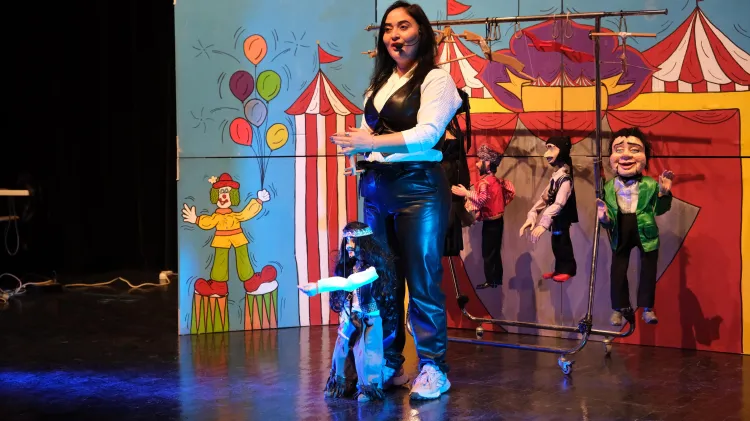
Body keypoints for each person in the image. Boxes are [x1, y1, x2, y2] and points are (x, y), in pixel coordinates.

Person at [330, 0, 462, 400]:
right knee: (383, 281)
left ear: (421, 32)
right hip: (377, 190)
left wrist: (370, 141)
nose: (394, 35)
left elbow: (427, 134)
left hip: (418, 188)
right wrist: (358, 149)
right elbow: (369, 135)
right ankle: (388, 361)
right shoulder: (379, 84)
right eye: (388, 28)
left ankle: (434, 367)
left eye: (403, 26)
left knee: (422, 281)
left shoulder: (437, 80)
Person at [298, 222, 398, 402]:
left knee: (367, 354)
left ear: (364, 243)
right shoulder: (352, 267)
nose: (348, 245)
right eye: (347, 241)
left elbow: (350, 283)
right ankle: (342, 384)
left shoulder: (372, 271)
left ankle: (368, 389)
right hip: (351, 318)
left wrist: (318, 286)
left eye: (353, 241)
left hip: (369, 320)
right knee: (341, 351)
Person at [597, 127, 674, 325]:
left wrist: (663, 194)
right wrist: (604, 219)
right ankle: (619, 307)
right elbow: (607, 216)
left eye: (634, 150)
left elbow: (659, 210)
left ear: (645, 156)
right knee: (618, 269)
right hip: (620, 227)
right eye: (619, 149)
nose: (625, 155)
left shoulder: (650, 184)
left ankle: (647, 308)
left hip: (645, 229)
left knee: (648, 268)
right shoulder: (608, 187)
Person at [451, 144, 516, 289]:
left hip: (491, 223)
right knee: (494, 251)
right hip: (497, 220)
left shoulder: (485, 183)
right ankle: (495, 279)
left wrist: (466, 193)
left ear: (488, 163)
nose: (477, 163)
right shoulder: (495, 181)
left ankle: (491, 279)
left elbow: (482, 199)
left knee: (488, 252)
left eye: (480, 160)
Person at [519, 136, 579, 282]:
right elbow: (543, 199)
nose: (547, 154)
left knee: (563, 243)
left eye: (551, 148)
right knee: (556, 243)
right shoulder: (555, 178)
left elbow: (559, 203)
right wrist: (532, 215)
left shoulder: (565, 179)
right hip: (555, 220)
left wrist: (543, 223)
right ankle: (559, 269)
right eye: (547, 149)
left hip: (561, 218)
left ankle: (568, 269)